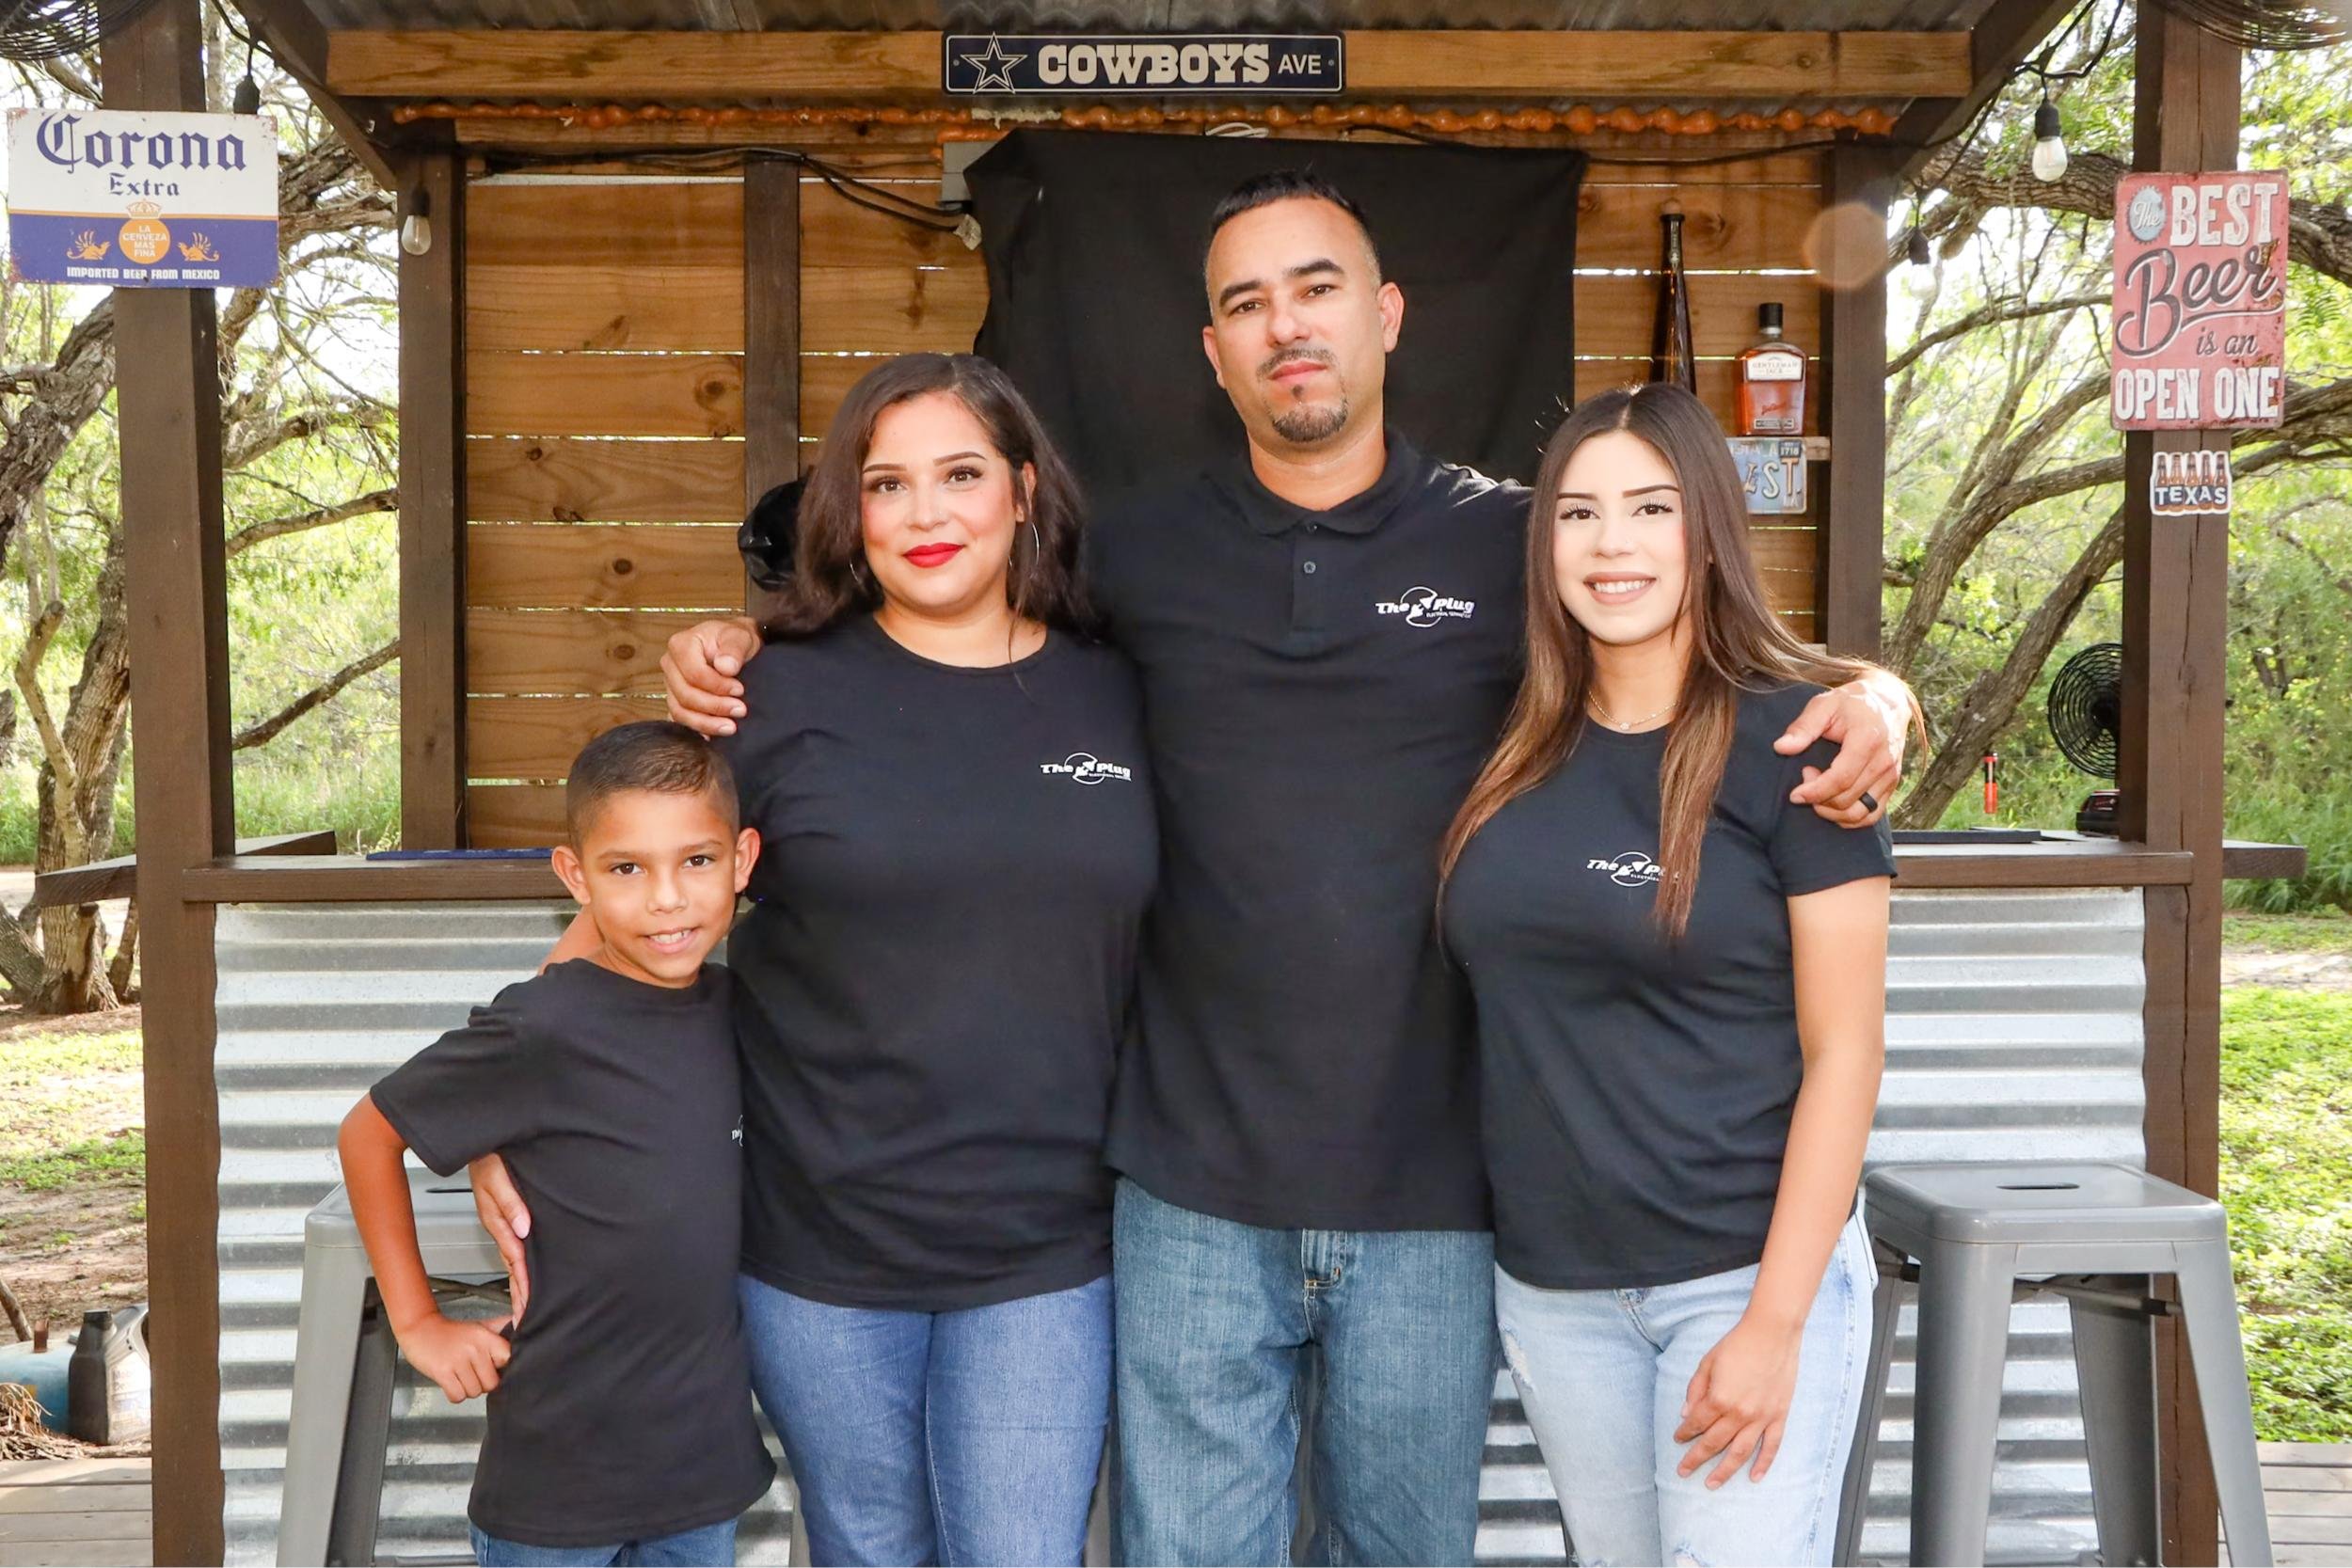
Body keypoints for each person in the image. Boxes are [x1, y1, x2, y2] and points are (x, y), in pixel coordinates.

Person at [660, 172, 1913, 1566]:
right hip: (1188, 1186)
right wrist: (740, 642)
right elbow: (933, 622)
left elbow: (1692, 623)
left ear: (1385, 315)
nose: (1285, 325)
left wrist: (1879, 695)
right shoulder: (1131, 558)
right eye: (1246, 303)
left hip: (1435, 1188)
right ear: (1213, 351)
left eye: (1316, 287)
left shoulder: (1517, 539)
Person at [477, 353, 1156, 1567]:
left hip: (1050, 1244)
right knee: (865, 1547)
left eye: (960, 474)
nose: (928, 513)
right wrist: (496, 1112)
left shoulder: (1119, 688)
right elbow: (618, 928)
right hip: (820, 1246)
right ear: (852, 510)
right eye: (887, 484)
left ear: (1023, 487)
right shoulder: (770, 698)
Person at [1439, 383, 1899, 1567]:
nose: (1612, 544)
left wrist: (1774, 1323)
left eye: (1649, 507)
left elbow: (1846, 1054)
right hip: (1555, 1291)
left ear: (1706, 526)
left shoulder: (1801, 745)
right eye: (1577, 513)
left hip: (1739, 1275)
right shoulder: (1507, 744)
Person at [336, 721, 773, 1568]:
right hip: (555, 1487)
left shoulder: (736, 1010)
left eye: (697, 860)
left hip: (702, 1477)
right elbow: (367, 1134)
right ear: (575, 875)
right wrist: (419, 1319)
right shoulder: (544, 1025)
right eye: (625, 869)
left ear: (743, 860)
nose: (667, 899)